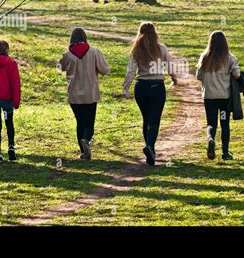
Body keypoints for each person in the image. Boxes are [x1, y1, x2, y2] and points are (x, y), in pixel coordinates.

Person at [123, 22, 178, 166]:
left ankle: (150, 148)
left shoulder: (136, 50)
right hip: (157, 87)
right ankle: (150, 147)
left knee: (146, 119)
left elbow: (131, 70)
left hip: (141, 87)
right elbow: (169, 65)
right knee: (154, 120)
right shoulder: (161, 49)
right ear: (155, 33)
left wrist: (126, 88)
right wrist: (174, 77)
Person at [59, 28, 110, 160]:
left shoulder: (67, 55)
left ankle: (83, 152)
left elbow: (59, 68)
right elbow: (105, 70)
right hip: (90, 94)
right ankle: (86, 140)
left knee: (80, 122)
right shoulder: (94, 52)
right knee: (89, 123)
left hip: (74, 95)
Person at [197, 31, 240, 161]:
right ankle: (225, 153)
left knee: (211, 123)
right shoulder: (230, 58)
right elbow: (237, 75)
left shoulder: (204, 57)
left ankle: (210, 138)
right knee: (224, 123)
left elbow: (199, 76)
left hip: (209, 97)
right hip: (224, 98)